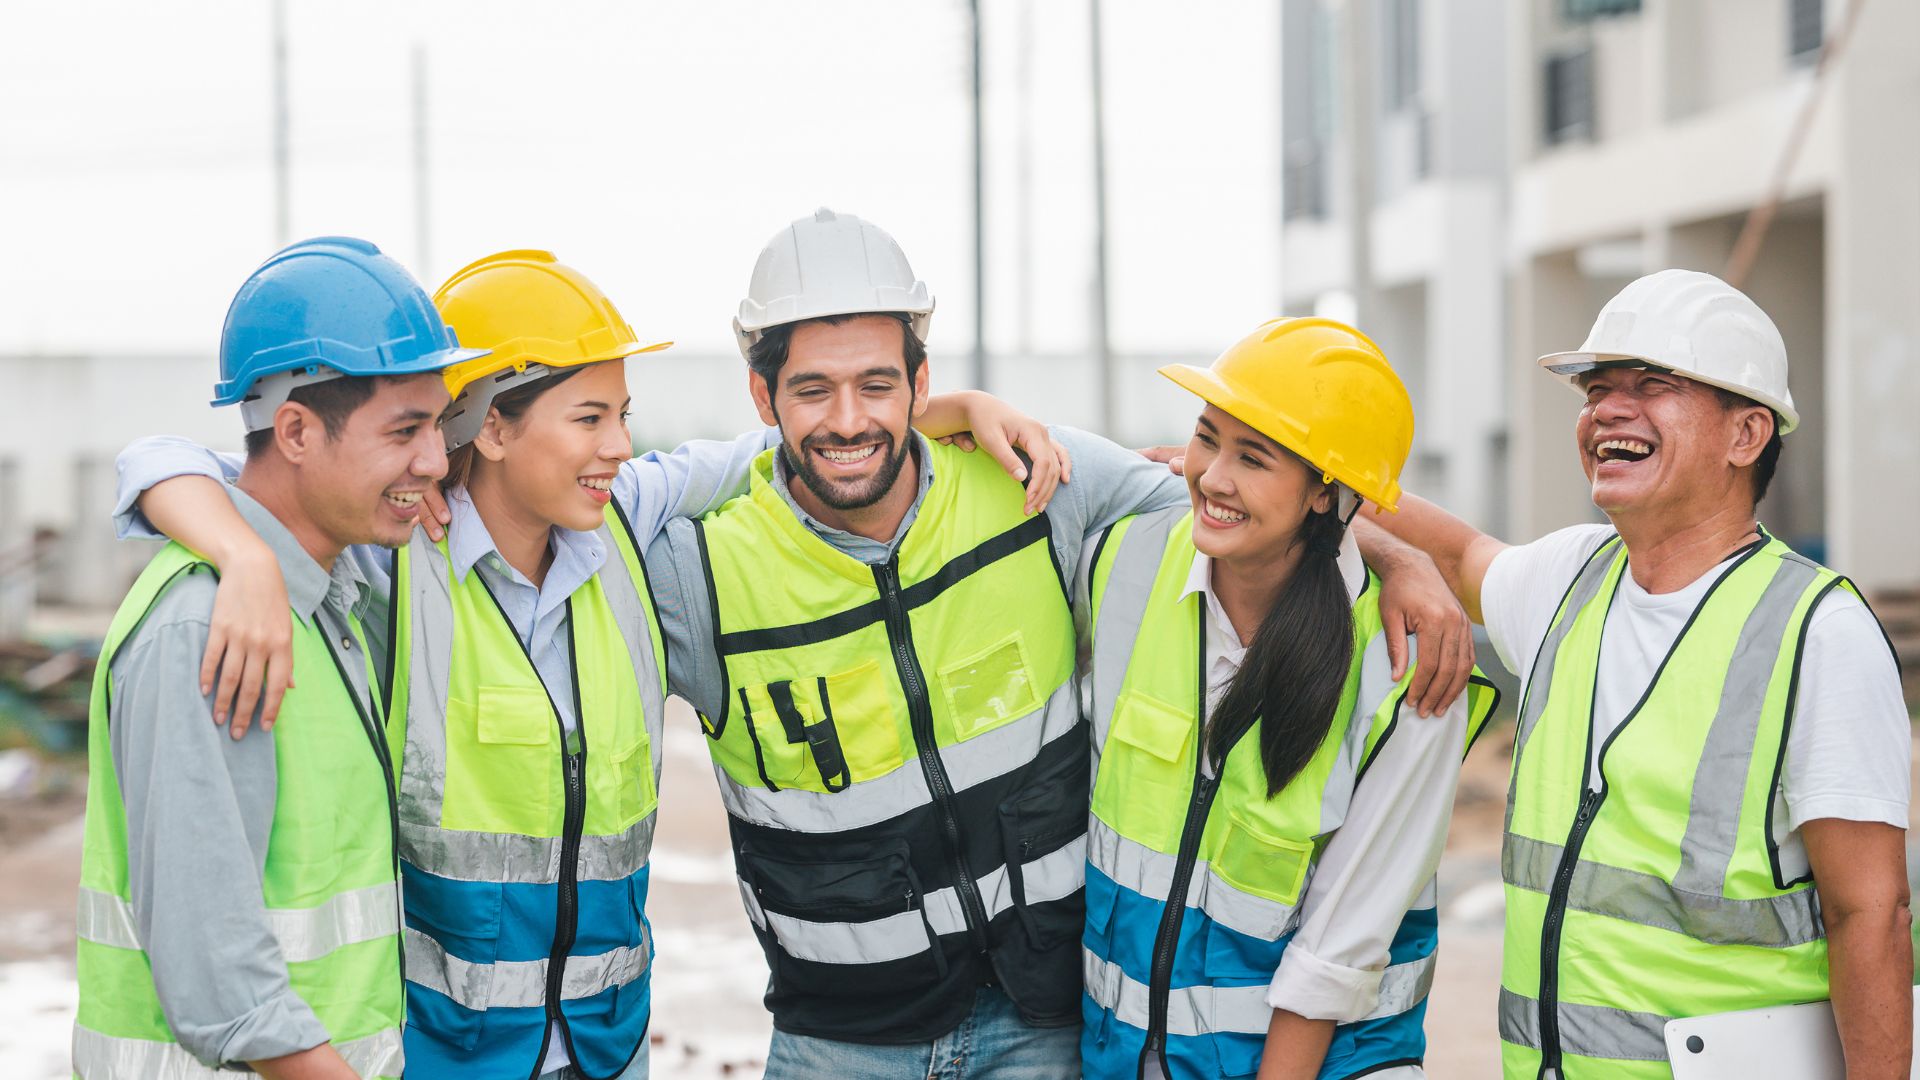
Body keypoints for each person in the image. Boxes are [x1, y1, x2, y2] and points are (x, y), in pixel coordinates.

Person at [111, 250, 1063, 1080]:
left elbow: (779, 448)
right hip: (447, 1058)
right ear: (486, 427)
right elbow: (178, 461)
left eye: (624, 416)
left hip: (608, 1052)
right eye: (589, 418)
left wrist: (955, 408)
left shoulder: (627, 531)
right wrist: (239, 557)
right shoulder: (396, 560)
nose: (619, 445)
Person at [646, 209, 1478, 1078]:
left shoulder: (1041, 493)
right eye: (812, 389)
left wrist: (1393, 553)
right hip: (841, 1044)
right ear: (762, 395)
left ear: (920, 382)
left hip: (1042, 1031)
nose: (848, 419)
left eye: (878, 385)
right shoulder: (700, 571)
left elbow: (1250, 515)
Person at [1361, 269, 1913, 1079]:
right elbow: (1451, 552)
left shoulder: (1817, 630)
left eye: (1651, 385)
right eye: (1598, 388)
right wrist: (1293, 481)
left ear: (1746, 435)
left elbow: (1871, 913)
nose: (1606, 410)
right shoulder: (1570, 578)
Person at [74, 237, 481, 1078]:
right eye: (405, 431)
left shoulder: (326, 587)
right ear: (294, 430)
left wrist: (247, 554)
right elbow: (222, 985)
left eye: (438, 425)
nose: (435, 463)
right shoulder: (201, 630)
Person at [1077, 317, 1499, 1080]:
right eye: (1207, 437)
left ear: (1324, 492)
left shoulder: (1407, 667)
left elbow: (1338, 948)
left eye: (1254, 457)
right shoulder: (1123, 559)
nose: (1212, 476)